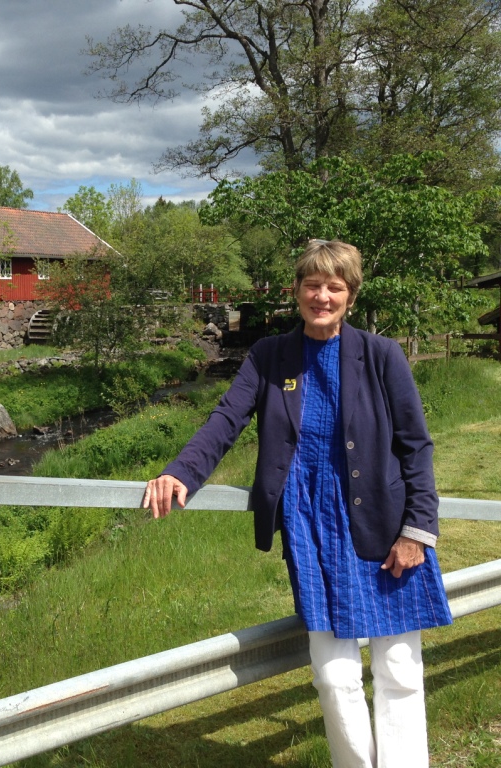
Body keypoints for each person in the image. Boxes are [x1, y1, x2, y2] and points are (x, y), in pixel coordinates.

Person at [142, 239, 452, 768]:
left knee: (399, 670)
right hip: (310, 528)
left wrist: (417, 530)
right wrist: (181, 472)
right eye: (313, 284)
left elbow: (415, 446)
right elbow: (226, 419)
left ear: (350, 295)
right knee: (334, 678)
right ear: (297, 291)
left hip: (384, 522)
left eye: (335, 286)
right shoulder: (270, 356)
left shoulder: (381, 355)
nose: (322, 296)